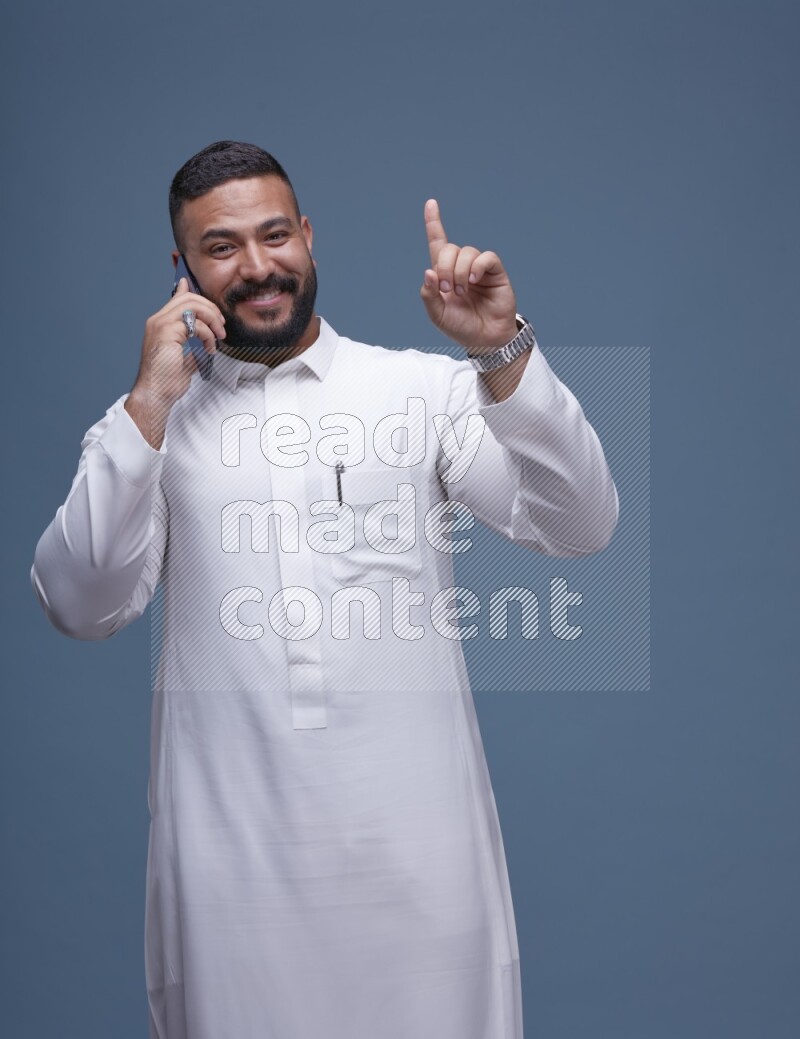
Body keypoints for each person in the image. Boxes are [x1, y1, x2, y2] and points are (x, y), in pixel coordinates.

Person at [31, 140, 618, 1039]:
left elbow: (582, 524)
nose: (258, 266)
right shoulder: (145, 427)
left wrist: (503, 348)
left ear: (309, 236)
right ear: (181, 269)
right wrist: (148, 405)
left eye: (275, 235)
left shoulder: (422, 391)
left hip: (427, 871)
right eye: (221, 247)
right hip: (233, 884)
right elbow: (79, 604)